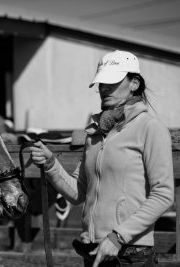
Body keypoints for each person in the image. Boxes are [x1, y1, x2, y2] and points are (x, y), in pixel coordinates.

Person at [30, 50, 174, 267]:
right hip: (95, 250)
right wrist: (51, 164)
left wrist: (118, 237)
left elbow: (163, 195)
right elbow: (78, 193)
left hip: (131, 254)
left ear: (134, 83)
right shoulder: (95, 134)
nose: (104, 88)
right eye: (101, 83)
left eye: (112, 81)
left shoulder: (150, 128)